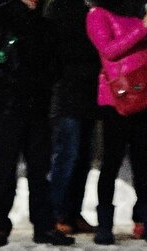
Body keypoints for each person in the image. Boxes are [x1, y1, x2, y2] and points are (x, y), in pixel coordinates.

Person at [0, 0, 71, 248]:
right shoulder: (0, 18)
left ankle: (43, 226)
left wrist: (41, 82)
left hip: (37, 107)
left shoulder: (45, 25)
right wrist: (10, 80)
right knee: (6, 169)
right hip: (8, 108)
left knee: (39, 171)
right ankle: (0, 226)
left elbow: (57, 62)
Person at [87, 0, 147, 244]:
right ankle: (105, 225)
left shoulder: (137, 13)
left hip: (144, 94)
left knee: (146, 163)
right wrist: (143, 28)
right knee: (111, 162)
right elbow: (110, 50)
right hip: (116, 99)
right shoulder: (98, 14)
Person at [45, 0, 100, 237]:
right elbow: (57, 48)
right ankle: (56, 213)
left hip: (91, 92)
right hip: (68, 92)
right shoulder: (60, 6)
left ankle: (73, 212)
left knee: (83, 158)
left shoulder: (94, 6)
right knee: (67, 155)